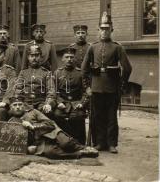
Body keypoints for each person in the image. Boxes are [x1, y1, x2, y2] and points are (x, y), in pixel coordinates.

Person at [82, 12, 132, 153]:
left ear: (111, 30)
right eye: (102, 29)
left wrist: (121, 86)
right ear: (98, 30)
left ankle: (111, 144)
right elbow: (84, 70)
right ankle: (99, 142)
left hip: (112, 88)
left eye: (107, 29)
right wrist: (87, 88)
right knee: (97, 116)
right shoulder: (93, 47)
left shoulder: (117, 47)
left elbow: (127, 68)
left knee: (111, 117)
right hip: (96, 87)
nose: (104, 31)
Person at [7, 94, 98, 159]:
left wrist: (33, 126)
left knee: (66, 144)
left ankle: (82, 147)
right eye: (15, 105)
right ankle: (79, 153)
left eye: (20, 104)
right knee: (52, 153)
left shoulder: (33, 112)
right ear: (11, 108)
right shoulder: (11, 122)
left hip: (52, 132)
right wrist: (27, 149)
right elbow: (13, 143)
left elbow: (50, 124)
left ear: (24, 105)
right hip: (40, 142)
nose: (18, 107)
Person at [44, 46, 89, 145]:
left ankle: (79, 142)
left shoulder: (80, 73)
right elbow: (54, 91)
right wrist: (59, 102)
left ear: (75, 59)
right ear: (62, 59)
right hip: (62, 103)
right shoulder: (57, 73)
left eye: (72, 57)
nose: (69, 59)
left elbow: (86, 91)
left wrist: (82, 103)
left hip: (76, 103)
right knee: (57, 115)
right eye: (67, 57)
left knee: (77, 116)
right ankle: (61, 141)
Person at [13, 43, 53, 112]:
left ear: (40, 57)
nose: (34, 58)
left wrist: (48, 104)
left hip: (41, 104)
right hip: (26, 104)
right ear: (28, 57)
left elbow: (51, 91)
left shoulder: (46, 73)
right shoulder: (23, 73)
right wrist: (19, 103)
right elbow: (18, 90)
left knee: (47, 112)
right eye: (32, 56)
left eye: (37, 55)